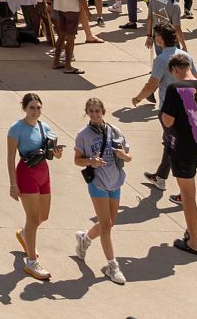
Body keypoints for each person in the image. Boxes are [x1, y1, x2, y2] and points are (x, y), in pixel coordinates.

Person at [157, 53, 197, 257]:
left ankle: (194, 241)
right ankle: (191, 231)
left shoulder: (175, 88)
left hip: (182, 147)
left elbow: (167, 120)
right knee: (188, 191)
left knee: (188, 196)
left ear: (174, 70)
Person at [71, 96, 130, 285]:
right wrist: (91, 162)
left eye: (97, 111)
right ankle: (112, 266)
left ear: (103, 112)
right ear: (86, 113)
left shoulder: (115, 131)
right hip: (97, 183)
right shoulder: (83, 135)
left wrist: (123, 155)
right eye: (91, 111)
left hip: (115, 181)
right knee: (105, 226)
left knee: (110, 223)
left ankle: (85, 239)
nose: (94, 114)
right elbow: (77, 160)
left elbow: (128, 157)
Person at [6, 92, 62, 281]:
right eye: (32, 108)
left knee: (43, 216)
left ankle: (24, 235)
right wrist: (13, 184)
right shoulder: (16, 128)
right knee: (32, 218)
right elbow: (10, 157)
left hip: (43, 172)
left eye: (38, 108)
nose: (36, 111)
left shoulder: (44, 127)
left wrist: (56, 151)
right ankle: (31, 263)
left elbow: (53, 154)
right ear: (25, 108)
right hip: (26, 172)